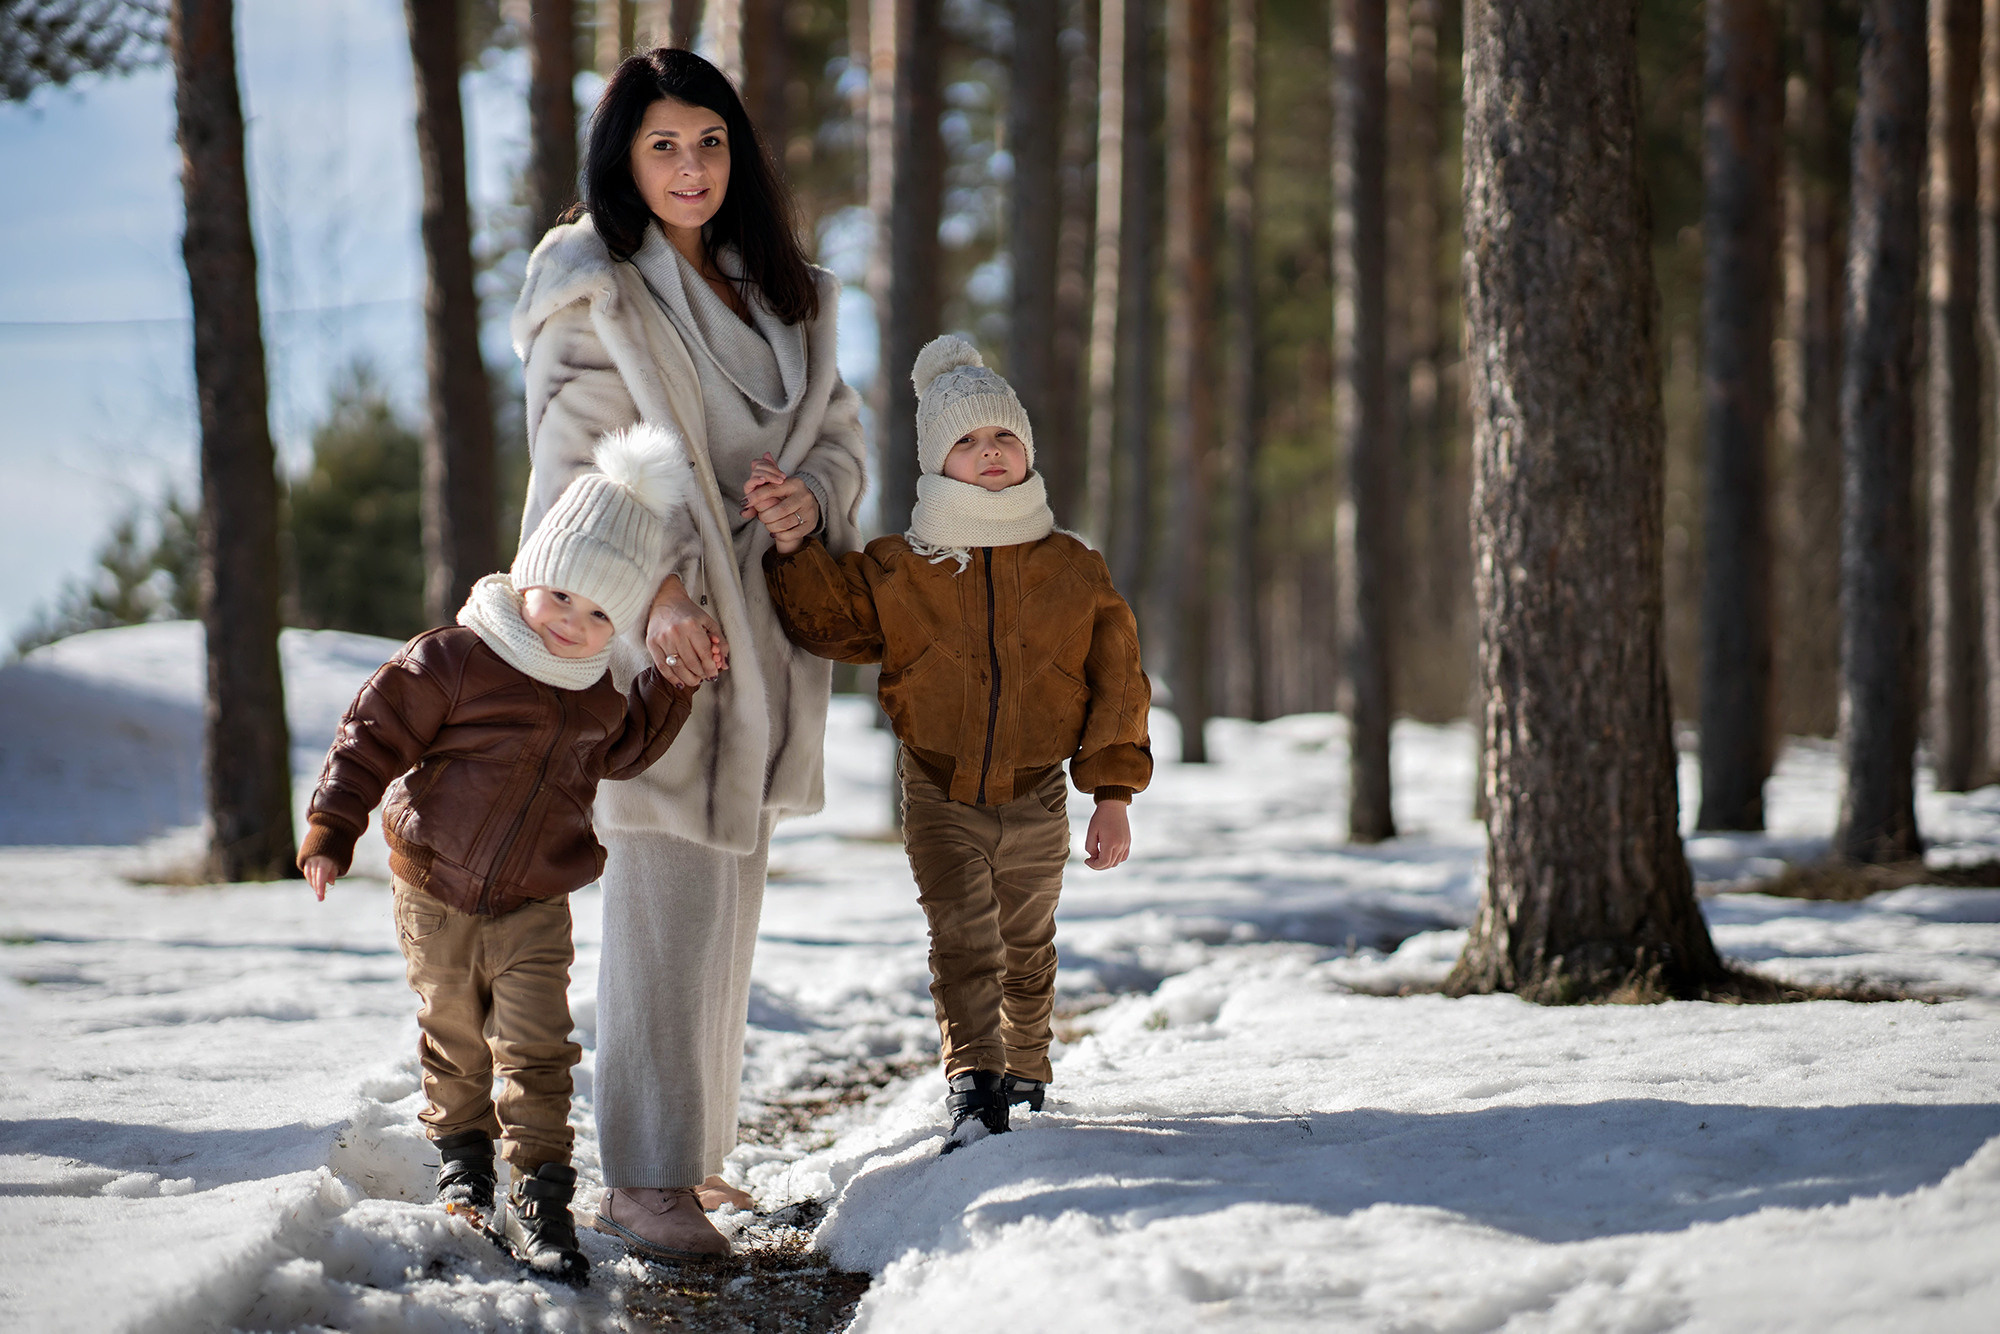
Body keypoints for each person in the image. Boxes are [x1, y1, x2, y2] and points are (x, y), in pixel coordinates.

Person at [510, 48, 867, 1260]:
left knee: (728, 890)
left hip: (764, 629)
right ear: (621, 156)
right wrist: (652, 595)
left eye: (707, 141)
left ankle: (691, 1159)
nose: (688, 166)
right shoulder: (592, 287)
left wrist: (806, 502)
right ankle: (642, 1179)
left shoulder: (785, 290)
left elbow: (843, 438)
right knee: (663, 894)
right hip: (647, 630)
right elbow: (576, 464)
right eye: (660, 144)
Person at [298, 428, 699, 1285]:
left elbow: (623, 752)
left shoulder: (592, 691)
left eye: (601, 615)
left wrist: (668, 689)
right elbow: (369, 735)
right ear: (528, 574)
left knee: (538, 1046)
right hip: (433, 886)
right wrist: (334, 827)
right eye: (561, 597)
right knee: (453, 1031)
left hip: (533, 903)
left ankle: (544, 1191)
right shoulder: (454, 657)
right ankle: (464, 1162)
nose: (574, 625)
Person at [759, 335, 1152, 1149]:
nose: (990, 452)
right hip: (937, 785)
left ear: (1027, 449)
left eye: (1003, 436)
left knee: (1027, 939)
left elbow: (1118, 682)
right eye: (967, 442)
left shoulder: (1074, 567)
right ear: (939, 464)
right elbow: (832, 622)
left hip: (1039, 785)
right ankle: (974, 1083)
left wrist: (1111, 796)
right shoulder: (902, 566)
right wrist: (796, 546)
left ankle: (1029, 1070)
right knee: (963, 937)